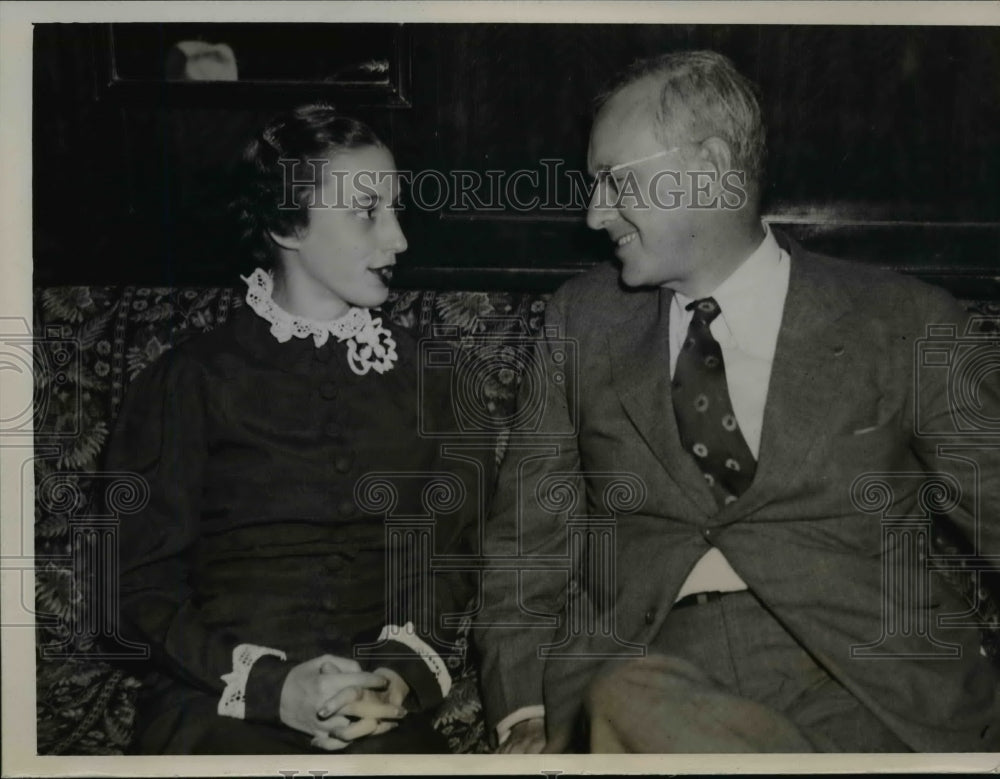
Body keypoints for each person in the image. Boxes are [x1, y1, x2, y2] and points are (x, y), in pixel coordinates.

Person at [474, 50, 1000, 753]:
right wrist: (523, 713)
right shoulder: (582, 322)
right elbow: (525, 548)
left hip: (866, 689)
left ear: (711, 163)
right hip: (646, 686)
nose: (595, 212)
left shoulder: (904, 320)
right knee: (630, 700)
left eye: (613, 179)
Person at [106, 104, 478, 754]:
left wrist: (396, 677)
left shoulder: (433, 379)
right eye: (366, 211)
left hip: (374, 708)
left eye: (396, 209)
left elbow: (444, 561)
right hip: (215, 701)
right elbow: (134, 585)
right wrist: (272, 688)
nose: (398, 239)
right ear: (287, 221)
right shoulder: (190, 379)